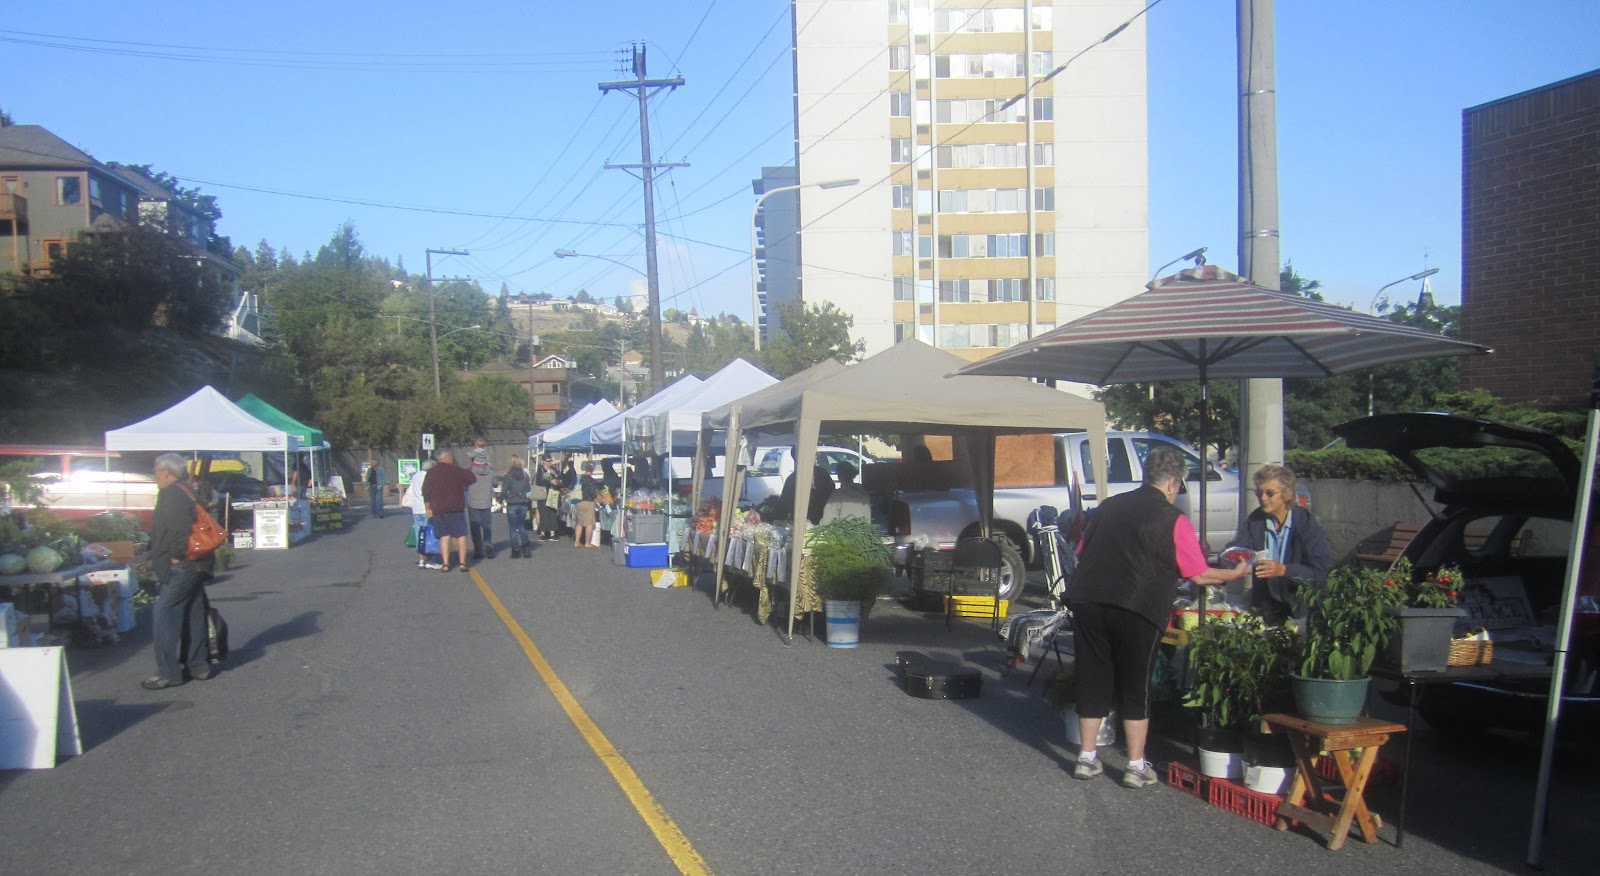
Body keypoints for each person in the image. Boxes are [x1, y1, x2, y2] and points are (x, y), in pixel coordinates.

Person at [1067, 446, 1249, 787]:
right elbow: (1198, 574)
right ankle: (1136, 766)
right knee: (1136, 683)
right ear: (1172, 482)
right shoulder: (1173, 519)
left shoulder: (1108, 506)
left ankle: (1086, 758)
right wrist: (1234, 573)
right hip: (1138, 606)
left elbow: (1082, 550)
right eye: (1179, 485)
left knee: (1092, 675)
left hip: (1089, 599)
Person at [143, 452, 216, 690]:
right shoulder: (187, 489)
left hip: (183, 563)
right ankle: (198, 665)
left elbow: (179, 530)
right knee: (194, 613)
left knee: (164, 615)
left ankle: (168, 672)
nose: (155, 476)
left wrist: (175, 557)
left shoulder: (171, 493)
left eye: (156, 471)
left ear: (166, 472)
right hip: (198, 562)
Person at [1229, 463, 1330, 624]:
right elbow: (1237, 546)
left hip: (1301, 606)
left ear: (1286, 494)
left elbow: (1319, 572)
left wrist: (1283, 570)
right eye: (1259, 493)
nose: (1263, 498)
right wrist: (1232, 556)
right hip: (1267, 604)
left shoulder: (1306, 524)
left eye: (1269, 493)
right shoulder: (1256, 520)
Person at [422, 448, 476, 573]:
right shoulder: (456, 470)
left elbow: (426, 492)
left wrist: (428, 508)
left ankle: (446, 564)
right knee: (460, 535)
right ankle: (462, 562)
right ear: (448, 458)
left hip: (439, 509)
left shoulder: (431, 472)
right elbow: (471, 478)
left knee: (444, 537)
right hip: (456, 507)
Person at [778, 448, 836, 525]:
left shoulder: (821, 473)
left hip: (820, 517)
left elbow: (832, 493)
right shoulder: (793, 478)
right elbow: (785, 502)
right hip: (803, 520)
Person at [401, 460, 438, 569]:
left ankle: (421, 559)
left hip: (416, 508)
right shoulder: (429, 477)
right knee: (430, 533)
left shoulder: (416, 475)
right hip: (426, 508)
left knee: (419, 533)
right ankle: (430, 558)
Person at [466, 438, 496, 561]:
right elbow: (494, 483)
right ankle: (488, 546)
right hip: (486, 501)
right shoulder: (491, 472)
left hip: (473, 501)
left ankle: (478, 550)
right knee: (487, 526)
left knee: (475, 527)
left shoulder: (470, 472)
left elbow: (465, 485)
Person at [502, 455, 533, 559]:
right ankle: (525, 546)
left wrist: (503, 498)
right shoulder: (525, 475)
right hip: (523, 503)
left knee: (512, 528)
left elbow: (504, 490)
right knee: (521, 526)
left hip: (512, 503)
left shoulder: (508, 476)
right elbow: (528, 489)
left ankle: (515, 550)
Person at [534, 453, 562, 541]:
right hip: (543, 493)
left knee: (552, 513)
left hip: (553, 493)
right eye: (548, 461)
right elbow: (539, 482)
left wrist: (556, 476)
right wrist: (550, 481)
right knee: (543, 512)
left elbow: (561, 480)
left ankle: (552, 533)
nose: (550, 463)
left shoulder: (554, 469)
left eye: (551, 461)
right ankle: (543, 532)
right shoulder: (540, 470)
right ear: (543, 461)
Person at [573, 461, 600, 548]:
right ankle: (587, 543)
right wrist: (598, 499)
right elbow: (592, 492)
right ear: (592, 470)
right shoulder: (591, 480)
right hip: (588, 502)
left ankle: (577, 541)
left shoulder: (579, 478)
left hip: (578, 501)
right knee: (589, 523)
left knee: (579, 522)